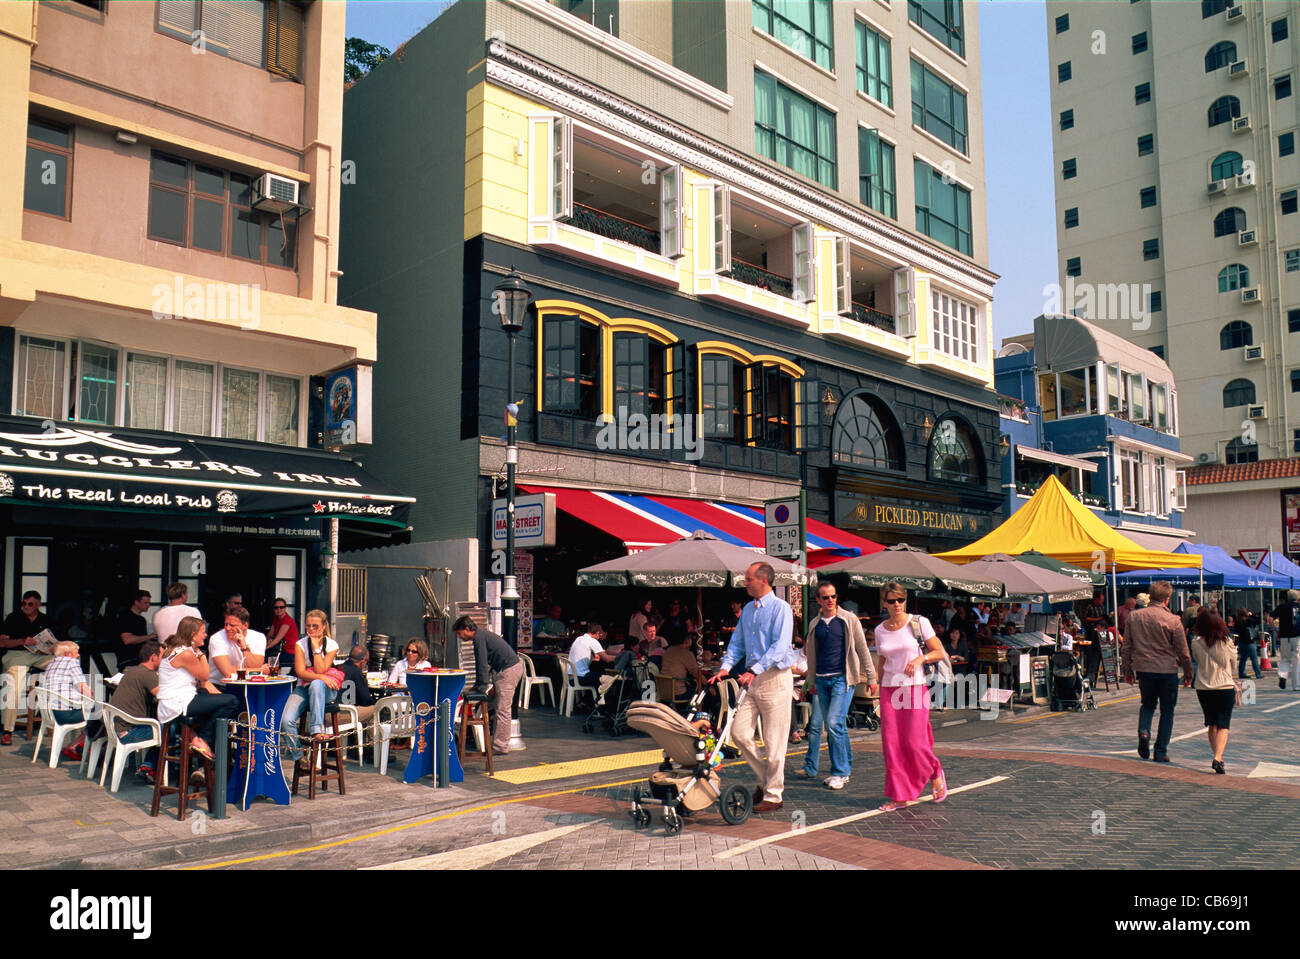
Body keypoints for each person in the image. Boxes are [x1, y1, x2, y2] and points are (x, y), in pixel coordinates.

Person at [709, 562, 795, 813]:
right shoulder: (748, 610)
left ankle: (773, 794)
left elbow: (780, 647)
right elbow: (737, 643)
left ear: (763, 580)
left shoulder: (781, 609)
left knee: (774, 741)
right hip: (751, 680)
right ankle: (765, 780)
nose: (744, 583)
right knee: (739, 733)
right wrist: (725, 667)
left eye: (748, 579)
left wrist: (754, 670)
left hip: (775, 678)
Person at [873, 583, 947, 811]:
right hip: (888, 689)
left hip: (914, 688)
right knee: (892, 745)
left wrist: (919, 660)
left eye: (900, 600)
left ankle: (934, 770)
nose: (896, 605)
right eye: (891, 601)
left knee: (914, 742)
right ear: (884, 603)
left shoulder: (918, 623)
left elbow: (938, 652)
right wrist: (875, 683)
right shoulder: (879, 630)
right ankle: (899, 796)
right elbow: (883, 660)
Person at [800, 581, 877, 789]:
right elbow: (812, 656)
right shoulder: (815, 624)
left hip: (843, 679)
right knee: (837, 726)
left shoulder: (848, 619)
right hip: (822, 680)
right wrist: (811, 682)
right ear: (818, 600)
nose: (830, 600)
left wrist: (872, 678)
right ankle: (846, 767)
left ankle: (840, 772)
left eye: (833, 596)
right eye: (825, 597)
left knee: (833, 724)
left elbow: (862, 648)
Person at [1121, 580, 1194, 762]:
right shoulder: (1173, 620)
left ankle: (1144, 732)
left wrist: (1126, 670)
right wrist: (1188, 672)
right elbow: (1183, 651)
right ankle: (1160, 750)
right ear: (1167, 599)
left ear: (1150, 596)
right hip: (1167, 669)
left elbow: (1127, 646)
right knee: (1167, 710)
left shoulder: (1135, 617)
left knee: (1147, 704)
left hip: (1144, 668)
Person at [155, 617, 238, 762]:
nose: (205, 635)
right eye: (203, 632)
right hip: (179, 703)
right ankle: (203, 740)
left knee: (222, 703)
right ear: (193, 634)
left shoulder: (178, 650)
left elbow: (203, 683)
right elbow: (205, 676)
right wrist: (201, 654)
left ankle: (198, 746)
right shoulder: (186, 654)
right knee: (232, 701)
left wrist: (218, 697)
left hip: (175, 702)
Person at [456, 616, 524, 754]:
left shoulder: (478, 638)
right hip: (504, 670)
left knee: (503, 708)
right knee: (495, 704)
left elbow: (481, 663)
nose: (459, 637)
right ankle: (487, 738)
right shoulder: (482, 635)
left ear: (467, 629)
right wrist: (480, 685)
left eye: (459, 633)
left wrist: (481, 687)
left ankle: (500, 746)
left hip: (508, 670)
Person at [281, 609, 342, 763]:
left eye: (315, 626)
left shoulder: (331, 644)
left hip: (325, 690)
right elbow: (301, 672)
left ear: (322, 627)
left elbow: (321, 668)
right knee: (285, 719)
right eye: (308, 626)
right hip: (305, 688)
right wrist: (321, 677)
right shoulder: (300, 644)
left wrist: (316, 649)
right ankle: (298, 754)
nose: (311, 630)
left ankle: (317, 730)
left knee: (316, 684)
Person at [0, 590, 58, 745]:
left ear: (38, 604)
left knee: (62, 664)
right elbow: (2, 643)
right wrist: (22, 641)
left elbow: (57, 642)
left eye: (30, 604)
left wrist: (52, 648)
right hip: (17, 655)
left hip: (40, 656)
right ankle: (7, 730)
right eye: (24, 603)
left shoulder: (46, 619)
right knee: (14, 688)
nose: (26, 606)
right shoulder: (13, 618)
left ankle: (56, 717)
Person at [1190, 608, 1241, 775]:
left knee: (1211, 723)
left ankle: (1217, 757)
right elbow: (1234, 664)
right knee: (1223, 724)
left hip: (1204, 687)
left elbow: (1197, 660)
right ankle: (1218, 757)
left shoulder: (1195, 643)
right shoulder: (1227, 642)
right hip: (1224, 686)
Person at [42, 640, 93, 759]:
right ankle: (75, 746)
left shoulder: (51, 663)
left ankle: (79, 745)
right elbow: (82, 687)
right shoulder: (71, 662)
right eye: (76, 652)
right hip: (65, 714)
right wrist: (91, 699)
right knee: (101, 717)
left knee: (93, 714)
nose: (78, 655)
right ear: (68, 653)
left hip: (51, 713)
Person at [208, 607, 266, 682]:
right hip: (221, 686)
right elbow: (228, 673)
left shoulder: (259, 637)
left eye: (232, 625)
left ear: (245, 625)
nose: (227, 628)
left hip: (249, 684)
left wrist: (244, 647)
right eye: (226, 624)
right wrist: (259, 671)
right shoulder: (217, 638)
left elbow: (255, 665)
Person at [568, 623, 616, 699]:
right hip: (580, 677)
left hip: (571, 677)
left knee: (597, 675)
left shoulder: (579, 639)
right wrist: (619, 657)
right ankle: (599, 704)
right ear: (597, 633)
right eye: (600, 635)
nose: (600, 637)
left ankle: (586, 702)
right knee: (609, 679)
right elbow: (606, 659)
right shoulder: (592, 641)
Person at [151, 582, 202, 651]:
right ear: (183, 595)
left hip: (163, 653)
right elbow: (199, 633)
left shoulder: (157, 613)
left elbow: (156, 633)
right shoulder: (192, 611)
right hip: (186, 652)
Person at [115, 590, 157, 671]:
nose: (148, 605)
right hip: (127, 660)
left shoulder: (141, 620)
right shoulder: (125, 616)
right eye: (145, 603)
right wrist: (150, 636)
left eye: (149, 603)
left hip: (139, 660)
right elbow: (127, 639)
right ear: (136, 602)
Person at [338, 645, 378, 725]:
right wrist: (377, 701)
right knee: (376, 709)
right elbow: (366, 700)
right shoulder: (356, 672)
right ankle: (372, 737)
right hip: (340, 715)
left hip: (327, 713)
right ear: (363, 661)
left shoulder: (338, 668)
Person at [659, 630, 704, 700]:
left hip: (664, 691)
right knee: (702, 690)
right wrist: (709, 685)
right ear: (687, 640)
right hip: (677, 692)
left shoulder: (669, 650)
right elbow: (696, 673)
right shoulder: (686, 653)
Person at [1274, 589, 1300, 691]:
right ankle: (1296, 685)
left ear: (1288, 597)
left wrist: (1276, 630)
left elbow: (1270, 618)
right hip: (1297, 636)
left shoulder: (1282, 607)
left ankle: (1283, 676)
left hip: (1284, 637)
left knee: (1285, 659)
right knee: (1297, 661)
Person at [267, 599, 300, 669]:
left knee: (268, 659)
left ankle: (274, 676)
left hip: (291, 652)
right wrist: (268, 640)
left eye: (281, 607)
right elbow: (270, 634)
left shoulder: (287, 620)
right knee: (268, 657)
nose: (279, 609)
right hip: (281, 650)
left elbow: (277, 640)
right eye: (276, 607)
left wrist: (264, 648)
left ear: (285, 608)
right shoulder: (276, 618)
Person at [1233, 607, 1262, 679]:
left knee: (1243, 658)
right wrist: (1251, 615)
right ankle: (1258, 673)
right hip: (1249, 642)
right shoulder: (1248, 621)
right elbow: (1258, 621)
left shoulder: (1237, 621)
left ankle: (1241, 673)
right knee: (1254, 658)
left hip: (1241, 642)